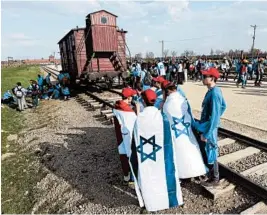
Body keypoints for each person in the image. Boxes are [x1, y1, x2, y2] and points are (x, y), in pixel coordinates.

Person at [129, 89, 183, 212]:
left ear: (143, 101)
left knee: (148, 176)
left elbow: (136, 142)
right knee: (163, 175)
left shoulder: (139, 119)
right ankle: (168, 199)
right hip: (161, 155)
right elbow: (169, 142)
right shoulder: (162, 117)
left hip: (146, 156)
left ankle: (151, 202)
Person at [162, 82, 207, 180]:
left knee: (179, 151)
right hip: (186, 130)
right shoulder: (183, 100)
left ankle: (182, 174)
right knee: (192, 148)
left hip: (175, 131)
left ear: (167, 91)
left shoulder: (166, 105)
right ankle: (197, 170)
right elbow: (190, 115)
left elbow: (165, 120)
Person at [193, 67, 226, 187]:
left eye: (205, 76)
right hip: (208, 125)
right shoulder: (212, 91)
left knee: (211, 150)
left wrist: (208, 130)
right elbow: (224, 106)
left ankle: (215, 178)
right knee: (209, 150)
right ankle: (212, 175)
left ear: (212, 78)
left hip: (209, 128)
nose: (203, 78)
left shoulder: (214, 93)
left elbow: (216, 114)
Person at [113, 88, 137, 184]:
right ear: (129, 97)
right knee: (130, 155)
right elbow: (134, 125)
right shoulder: (128, 112)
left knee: (123, 153)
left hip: (120, 134)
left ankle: (126, 175)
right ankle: (132, 177)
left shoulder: (117, 106)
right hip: (128, 136)